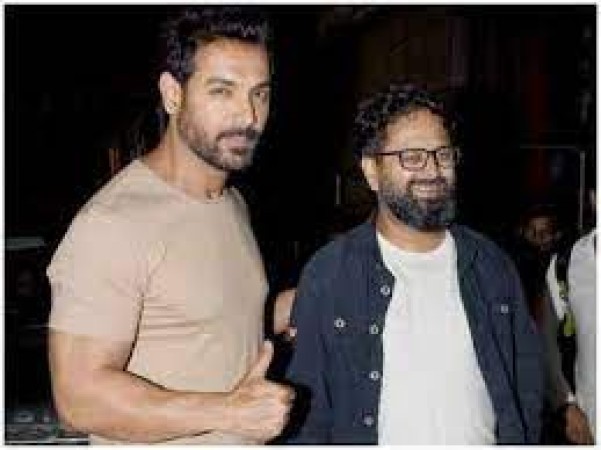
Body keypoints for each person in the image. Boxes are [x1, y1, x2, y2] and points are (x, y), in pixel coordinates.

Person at [46, 7, 293, 445]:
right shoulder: (113, 224)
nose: (248, 115)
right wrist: (230, 412)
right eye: (222, 91)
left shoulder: (231, 202)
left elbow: (208, 322)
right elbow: (78, 399)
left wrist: (306, 304)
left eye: (260, 94)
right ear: (173, 94)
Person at [284, 83, 543, 444]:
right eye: (412, 157)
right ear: (372, 171)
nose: (433, 170)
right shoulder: (329, 275)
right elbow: (308, 420)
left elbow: (526, 387)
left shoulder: (491, 265)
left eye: (443, 154)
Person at [542, 187, 595, 444]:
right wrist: (566, 404)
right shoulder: (567, 262)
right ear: (594, 198)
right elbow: (545, 341)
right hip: (591, 427)